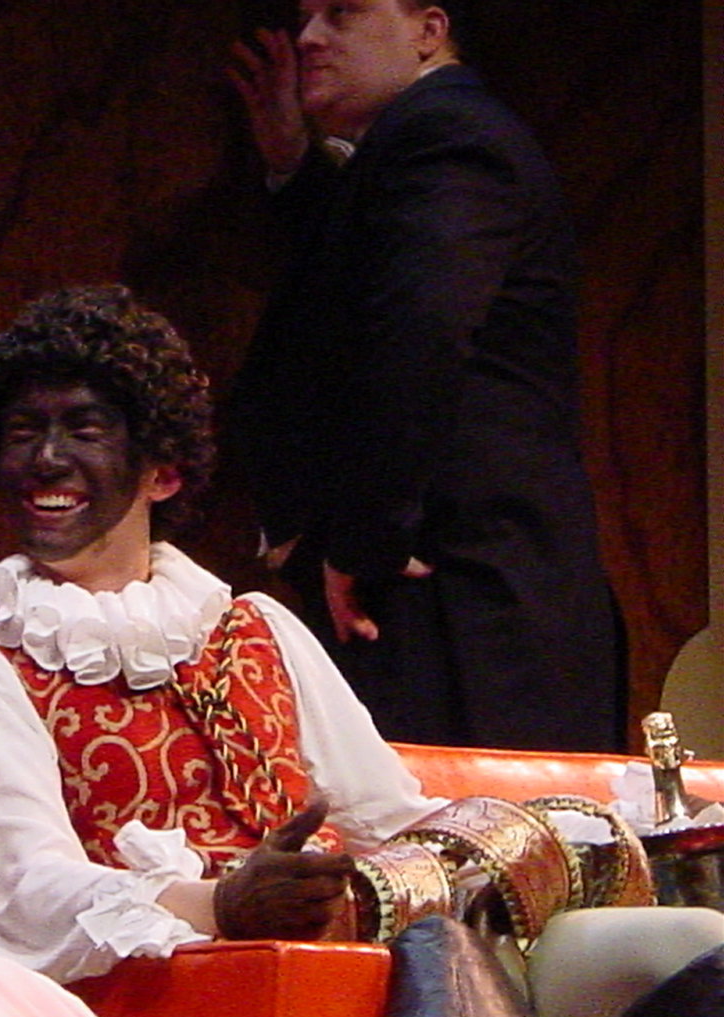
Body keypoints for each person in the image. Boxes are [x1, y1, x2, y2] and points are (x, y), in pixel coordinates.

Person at [0, 284, 724, 1017]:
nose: (47, 458)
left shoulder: (257, 628)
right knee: (444, 979)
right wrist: (220, 903)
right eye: (22, 432)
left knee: (682, 947)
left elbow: (391, 817)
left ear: (162, 472)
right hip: (157, 1003)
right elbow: (25, 891)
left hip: (360, 960)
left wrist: (574, 842)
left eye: (83, 429)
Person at [225, 0, 623, 752]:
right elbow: (366, 280)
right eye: (306, 16)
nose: (309, 37)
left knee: (468, 817)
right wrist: (295, 166)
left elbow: (420, 330)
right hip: (447, 591)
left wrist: (360, 541)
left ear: (428, 31)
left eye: (343, 13)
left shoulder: (447, 133)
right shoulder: (414, 144)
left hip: (458, 598)